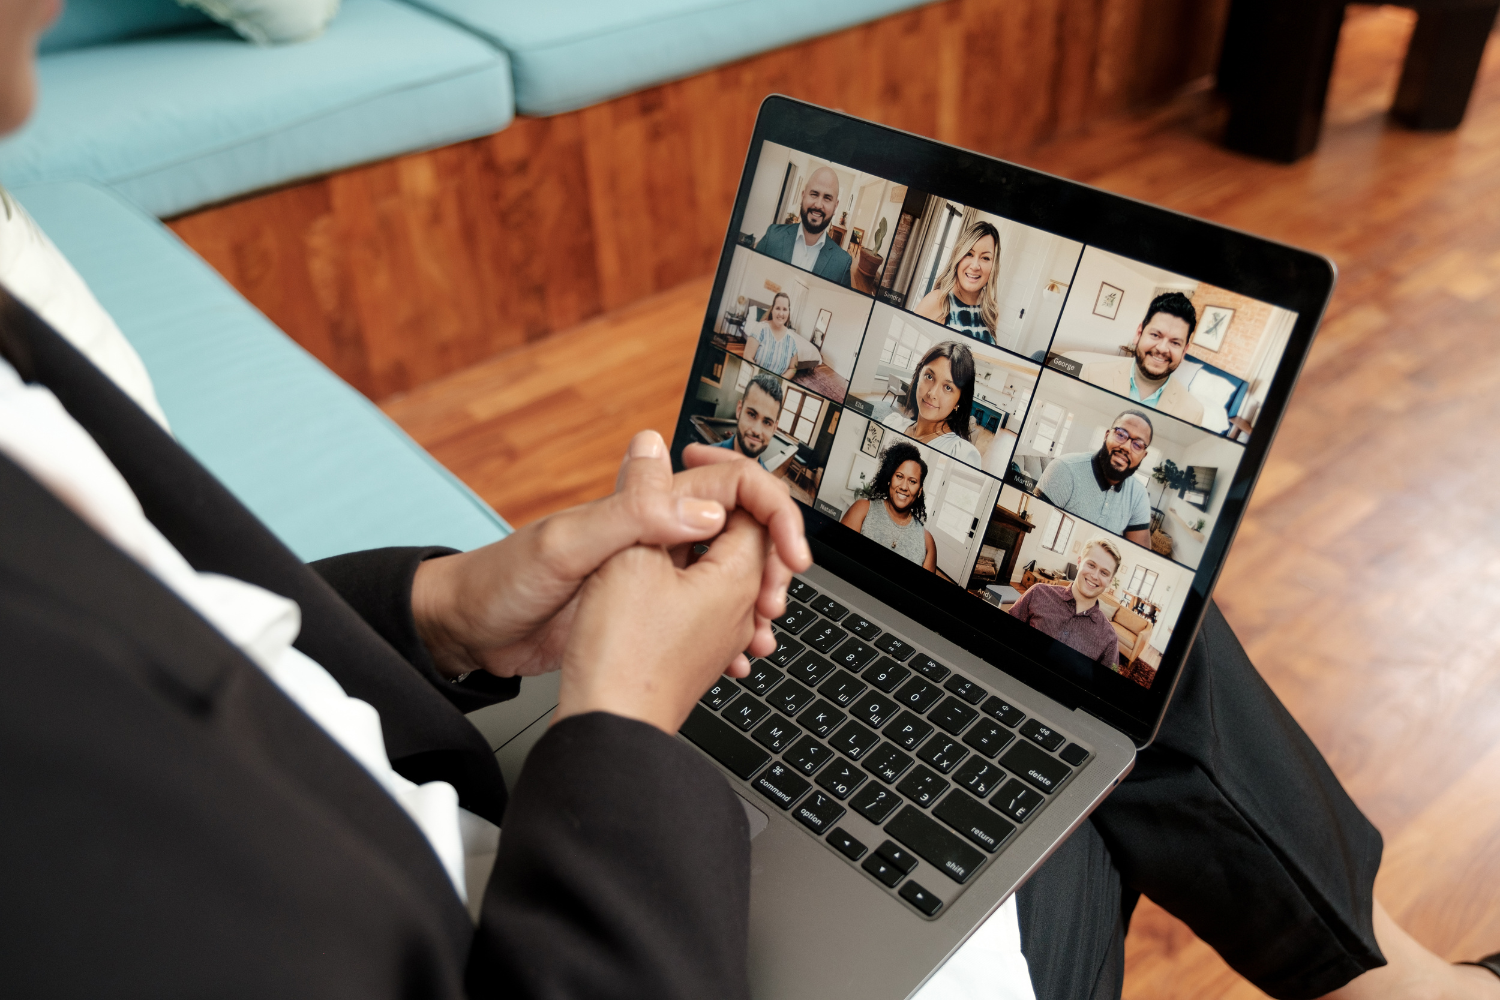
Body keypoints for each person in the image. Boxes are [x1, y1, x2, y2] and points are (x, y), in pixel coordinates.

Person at [3, 7, 1496, 997]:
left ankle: (1378, 971)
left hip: (497, 782)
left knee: (1074, 650)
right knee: (1093, 725)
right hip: (614, 903)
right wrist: (619, 723)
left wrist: (452, 604)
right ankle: (1384, 975)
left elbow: (198, 606)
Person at [1073, 291, 1206, 425]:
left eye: (1175, 343)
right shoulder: (1091, 375)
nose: (1162, 348)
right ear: (1139, 334)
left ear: (1184, 351)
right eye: (1155, 335)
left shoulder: (1193, 413)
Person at [1034, 409, 1155, 549]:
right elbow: (1034, 527)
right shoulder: (1064, 469)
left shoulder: (1139, 495)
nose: (1126, 447)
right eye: (1121, 435)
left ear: (1143, 456)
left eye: (1138, 445)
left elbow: (1137, 552)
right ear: (1106, 435)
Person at [1006, 537, 1122, 669]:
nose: (1095, 576)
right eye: (1091, 565)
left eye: (1104, 572)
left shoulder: (1109, 639)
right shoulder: (1038, 593)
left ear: (1110, 581)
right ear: (1079, 562)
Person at [840, 440, 937, 572]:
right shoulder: (862, 509)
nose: (903, 487)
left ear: (919, 491)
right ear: (889, 478)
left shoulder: (927, 542)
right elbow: (838, 561)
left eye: (912, 481)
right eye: (899, 476)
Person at [881, 340, 983, 466]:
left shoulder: (961, 455)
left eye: (948, 387)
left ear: (959, 400)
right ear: (918, 376)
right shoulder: (892, 423)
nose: (932, 393)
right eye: (929, 377)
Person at [753, 166, 854, 287]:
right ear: (803, 196)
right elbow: (749, 282)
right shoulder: (773, 236)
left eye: (827, 198)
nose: (818, 204)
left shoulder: (842, 264)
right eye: (814, 194)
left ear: (835, 206)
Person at [913, 220, 1001, 345]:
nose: (975, 266)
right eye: (969, 254)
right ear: (958, 257)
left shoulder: (991, 310)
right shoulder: (937, 301)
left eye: (985, 258)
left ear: (994, 266)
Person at [709, 371, 784, 469]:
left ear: (774, 428)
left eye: (766, 422)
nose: (756, 431)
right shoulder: (704, 461)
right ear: (739, 410)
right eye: (752, 415)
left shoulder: (766, 481)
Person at [745, 291, 798, 378]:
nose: (781, 313)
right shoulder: (759, 329)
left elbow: (793, 368)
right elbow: (747, 356)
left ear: (788, 312)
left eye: (785, 309)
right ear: (772, 309)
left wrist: (778, 381)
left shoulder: (792, 339)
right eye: (778, 308)